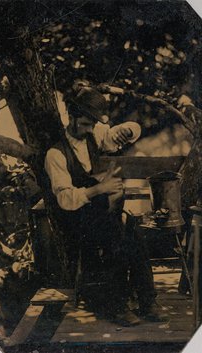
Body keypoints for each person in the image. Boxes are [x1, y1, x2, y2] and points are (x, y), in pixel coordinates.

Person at [45, 86, 168, 325]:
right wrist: (99, 189)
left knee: (134, 232)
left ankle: (147, 301)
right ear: (71, 114)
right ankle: (118, 306)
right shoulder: (56, 154)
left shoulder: (94, 130)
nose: (90, 129)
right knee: (115, 237)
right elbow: (65, 199)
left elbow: (117, 135)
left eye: (93, 124)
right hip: (77, 220)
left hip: (102, 211)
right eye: (85, 124)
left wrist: (129, 130)